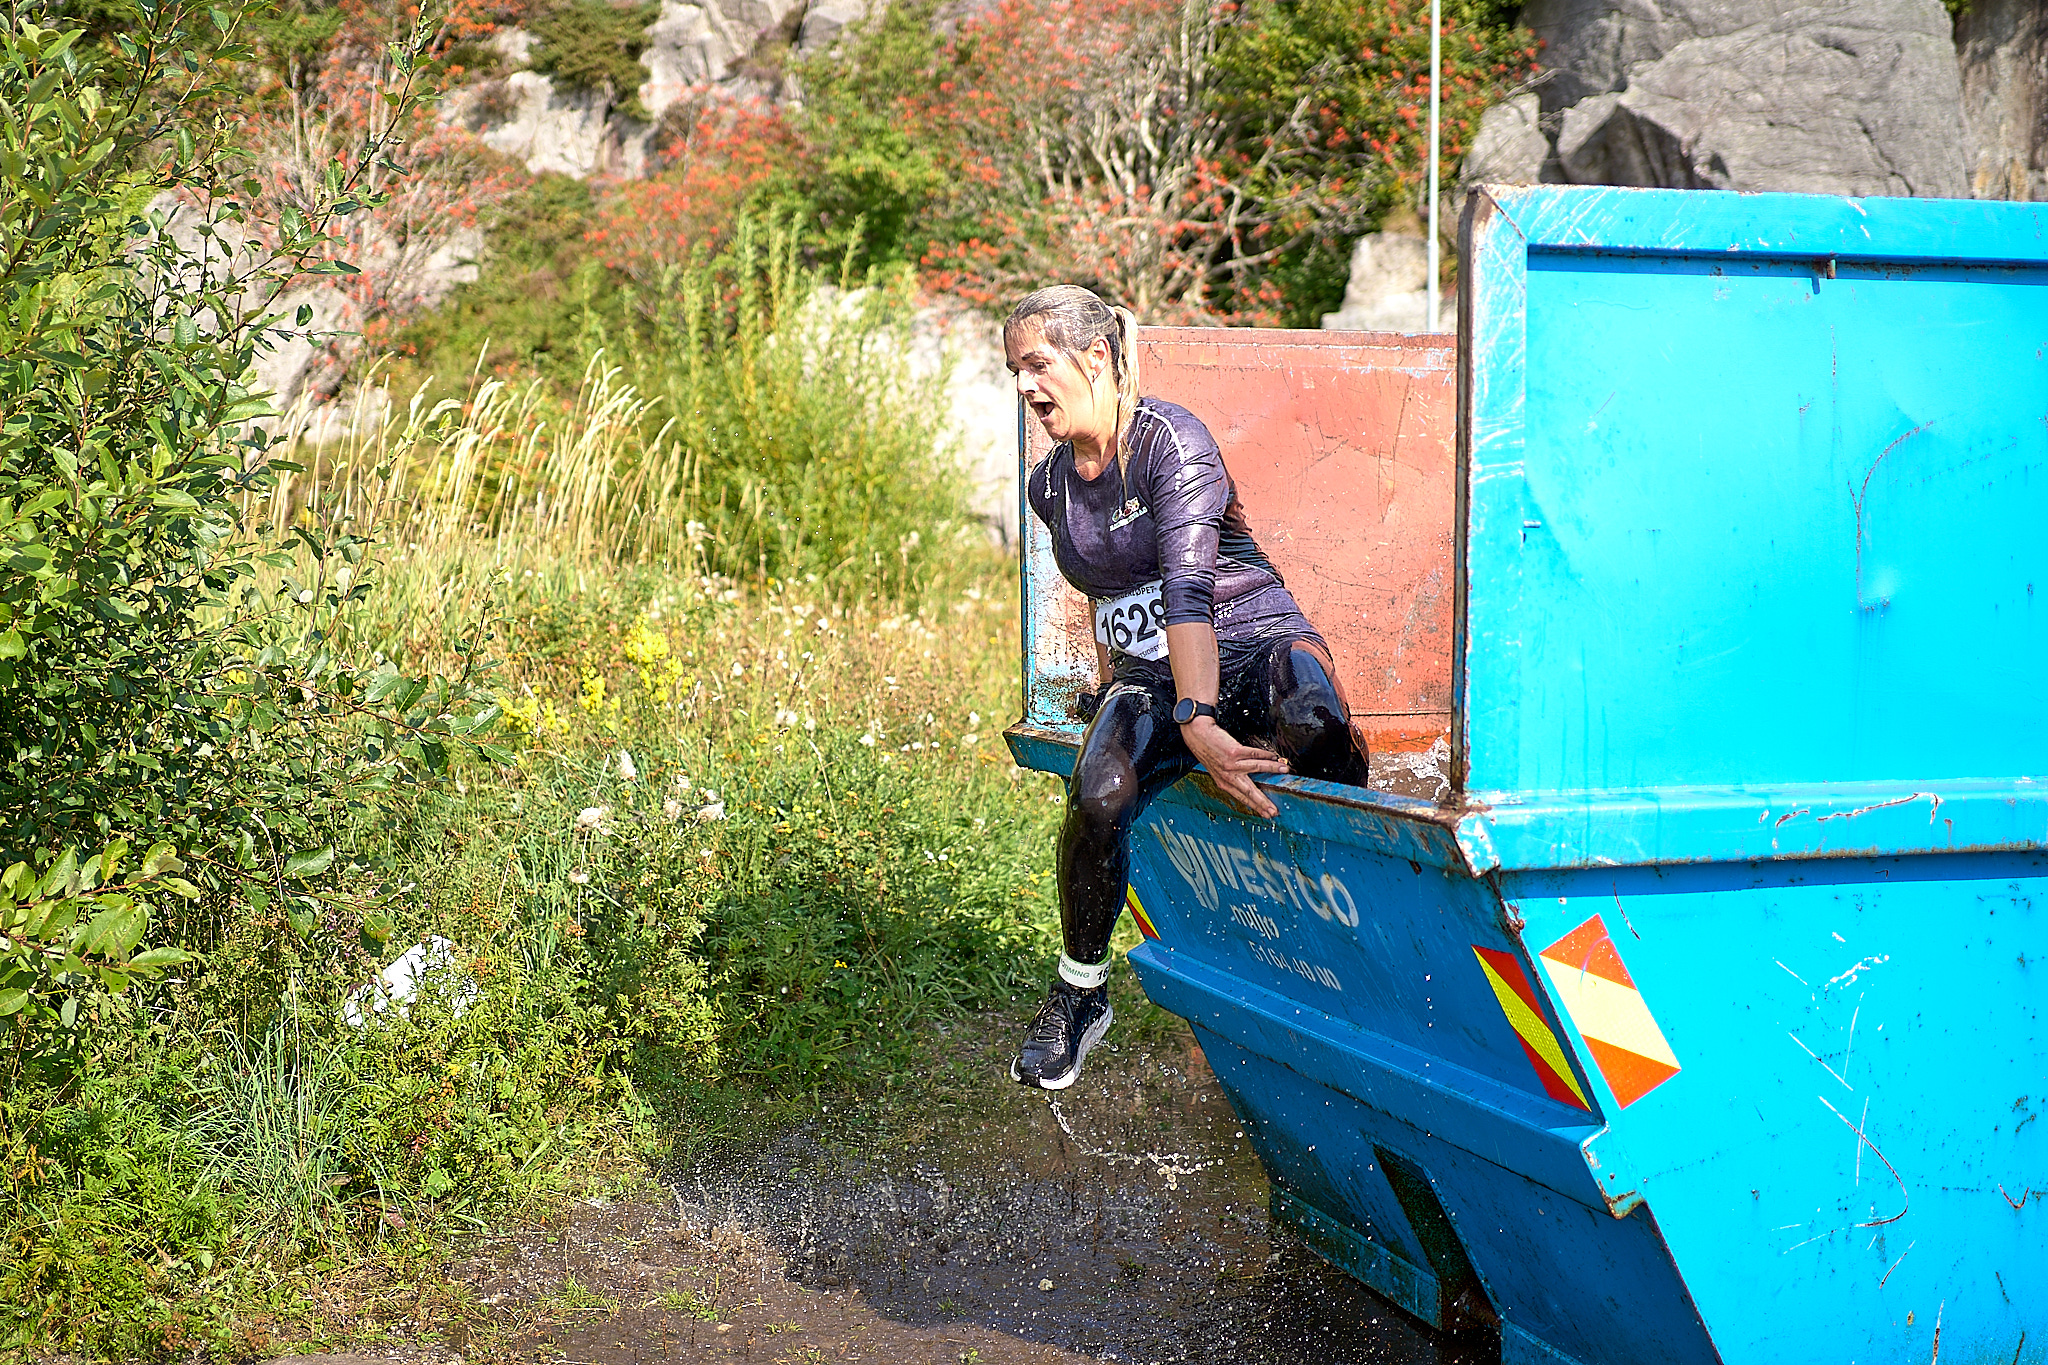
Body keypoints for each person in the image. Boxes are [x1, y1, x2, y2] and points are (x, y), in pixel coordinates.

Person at [1004, 284, 1372, 1091]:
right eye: (1014, 371)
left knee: (1313, 721)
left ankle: (1368, 901)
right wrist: (1115, 697)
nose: (1024, 385)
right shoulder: (1049, 486)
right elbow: (1109, 596)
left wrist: (1200, 720)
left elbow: (1187, 593)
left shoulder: (1171, 442)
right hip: (1158, 680)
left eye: (1036, 364)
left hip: (1255, 646)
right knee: (1097, 790)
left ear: (1095, 356)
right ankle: (1080, 995)